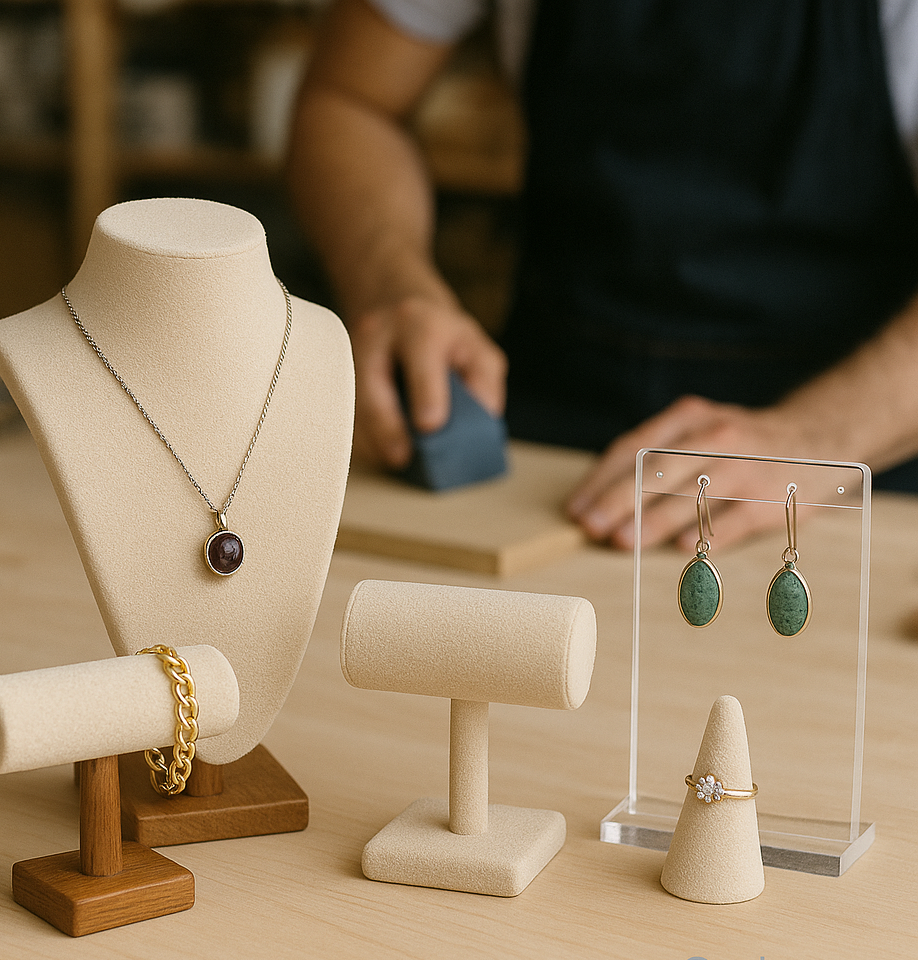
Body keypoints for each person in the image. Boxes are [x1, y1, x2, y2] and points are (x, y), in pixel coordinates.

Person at [287, 0, 918, 550]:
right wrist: (395, 281)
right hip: (545, 439)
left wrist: (816, 436)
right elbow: (349, 100)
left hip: (850, 460)